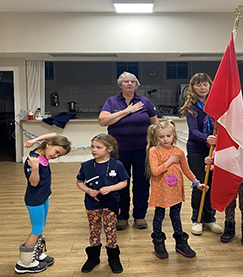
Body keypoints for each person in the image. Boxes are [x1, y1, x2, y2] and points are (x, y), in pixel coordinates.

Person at [98, 71, 159, 230]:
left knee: (141, 183)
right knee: (120, 183)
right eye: (126, 81)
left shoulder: (144, 101)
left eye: (132, 81)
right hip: (118, 150)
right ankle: (121, 216)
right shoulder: (111, 101)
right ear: (120, 85)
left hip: (142, 150)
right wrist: (127, 111)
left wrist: (156, 146)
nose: (129, 83)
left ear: (136, 85)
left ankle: (140, 216)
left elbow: (155, 125)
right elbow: (103, 121)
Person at [146, 121, 207, 259]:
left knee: (175, 215)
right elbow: (155, 172)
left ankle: (180, 242)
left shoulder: (179, 152)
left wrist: (196, 182)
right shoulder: (154, 151)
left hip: (175, 190)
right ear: (156, 138)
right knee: (159, 215)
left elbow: (186, 169)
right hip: (160, 190)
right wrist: (169, 161)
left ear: (174, 136)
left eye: (168, 135)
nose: (165, 139)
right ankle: (158, 242)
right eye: (161, 137)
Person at [15, 133, 71, 274]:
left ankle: (37, 253)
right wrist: (34, 168)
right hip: (35, 200)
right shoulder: (33, 159)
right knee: (37, 229)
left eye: (59, 155)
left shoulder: (44, 155)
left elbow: (53, 134)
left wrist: (34, 139)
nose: (56, 156)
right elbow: (34, 183)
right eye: (56, 152)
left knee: (41, 226)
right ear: (49, 145)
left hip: (43, 197)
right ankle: (24, 262)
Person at [76, 134, 129, 274]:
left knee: (110, 230)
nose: (94, 150)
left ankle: (113, 258)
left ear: (109, 149)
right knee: (94, 229)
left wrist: (110, 188)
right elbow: (79, 182)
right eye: (92, 146)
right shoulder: (86, 165)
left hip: (110, 203)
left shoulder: (117, 164)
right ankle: (93, 257)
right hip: (92, 204)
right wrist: (87, 190)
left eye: (98, 147)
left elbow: (124, 182)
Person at [180, 72, 222, 236]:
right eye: (198, 84)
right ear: (193, 87)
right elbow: (193, 131)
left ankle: (210, 219)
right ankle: (197, 219)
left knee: (211, 185)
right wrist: (207, 139)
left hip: (215, 150)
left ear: (210, 86)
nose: (202, 87)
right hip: (197, 150)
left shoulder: (217, 105)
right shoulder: (191, 107)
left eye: (205, 84)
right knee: (200, 185)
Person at [205, 121, 243, 245]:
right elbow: (217, 161)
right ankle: (229, 228)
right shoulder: (222, 145)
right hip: (228, 180)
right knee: (229, 204)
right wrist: (209, 163)